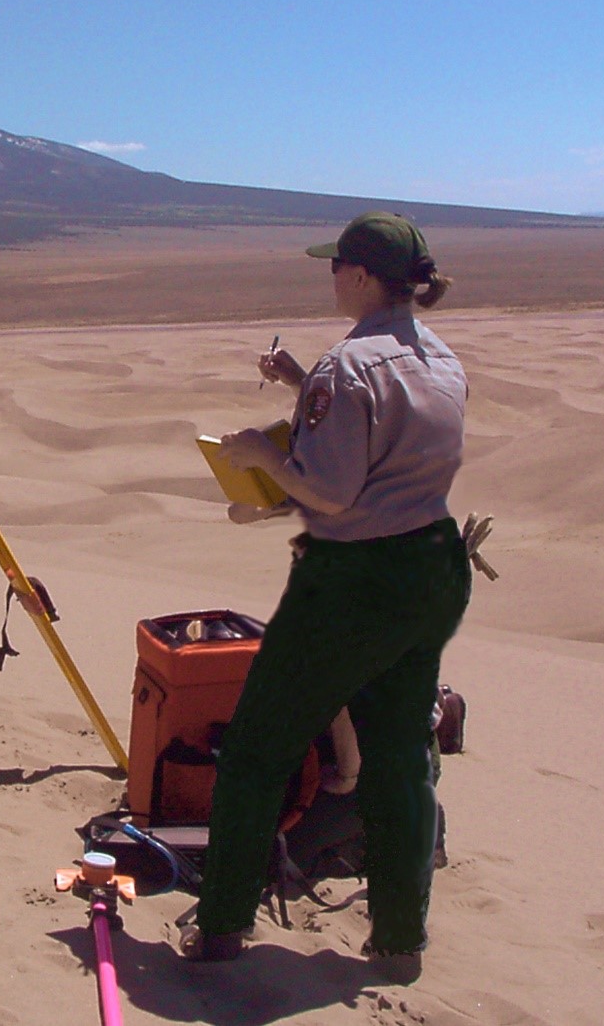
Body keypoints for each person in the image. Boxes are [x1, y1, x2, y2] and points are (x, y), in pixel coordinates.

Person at [186, 212, 471, 981]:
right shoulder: (441, 358)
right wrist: (298, 381)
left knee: (255, 752)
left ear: (362, 277)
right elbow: (383, 432)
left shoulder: (349, 367)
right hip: (431, 569)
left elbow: (333, 493)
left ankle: (221, 927)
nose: (331, 278)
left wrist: (258, 457)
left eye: (336, 266)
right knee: (398, 760)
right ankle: (400, 939)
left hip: (352, 581)